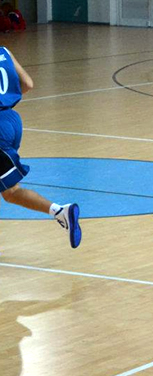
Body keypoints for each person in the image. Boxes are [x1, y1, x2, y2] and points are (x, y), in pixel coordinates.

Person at [0, 46, 81, 248]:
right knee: (10, 192)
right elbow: (28, 84)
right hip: (12, 121)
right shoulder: (5, 51)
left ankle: (60, 211)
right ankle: (60, 212)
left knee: (11, 191)